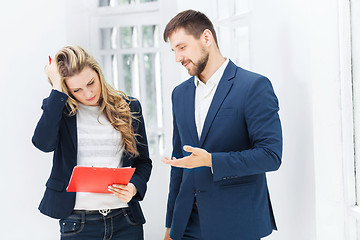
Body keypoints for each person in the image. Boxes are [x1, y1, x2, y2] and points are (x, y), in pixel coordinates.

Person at [161, 10, 282, 240]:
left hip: (236, 223)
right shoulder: (180, 94)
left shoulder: (253, 86)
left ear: (206, 37)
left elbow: (270, 155)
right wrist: (170, 225)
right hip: (187, 225)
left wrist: (211, 160)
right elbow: (179, 162)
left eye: (182, 47)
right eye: (174, 51)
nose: (178, 58)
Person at [32, 45, 152, 240]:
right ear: (66, 89)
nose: (88, 94)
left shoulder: (129, 107)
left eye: (91, 83)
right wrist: (56, 88)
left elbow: (143, 162)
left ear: (98, 73)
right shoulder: (60, 110)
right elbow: (43, 144)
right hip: (78, 223)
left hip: (126, 220)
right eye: (77, 89)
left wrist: (134, 187)